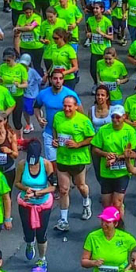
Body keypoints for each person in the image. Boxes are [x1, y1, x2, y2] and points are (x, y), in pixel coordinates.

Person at [52, 94, 96, 230]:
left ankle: (86, 202)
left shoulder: (83, 120)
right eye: (65, 106)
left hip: (78, 159)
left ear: (76, 106)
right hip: (62, 158)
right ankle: (63, 220)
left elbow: (92, 137)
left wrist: (78, 144)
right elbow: (55, 129)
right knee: (63, 190)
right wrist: (55, 141)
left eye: (69, 106)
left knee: (80, 186)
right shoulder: (58, 117)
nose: (67, 109)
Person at [15, 138, 55, 265]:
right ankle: (29, 243)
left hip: (43, 204)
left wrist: (38, 193)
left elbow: (53, 187)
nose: (32, 164)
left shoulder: (46, 164)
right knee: (28, 232)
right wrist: (26, 189)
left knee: (41, 234)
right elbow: (17, 183)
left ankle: (42, 258)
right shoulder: (22, 165)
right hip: (26, 203)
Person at [81, 207, 136, 272]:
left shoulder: (127, 239)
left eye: (107, 221)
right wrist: (93, 262)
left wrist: (127, 270)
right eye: (102, 220)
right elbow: (83, 261)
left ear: (115, 223)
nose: (104, 224)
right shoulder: (92, 237)